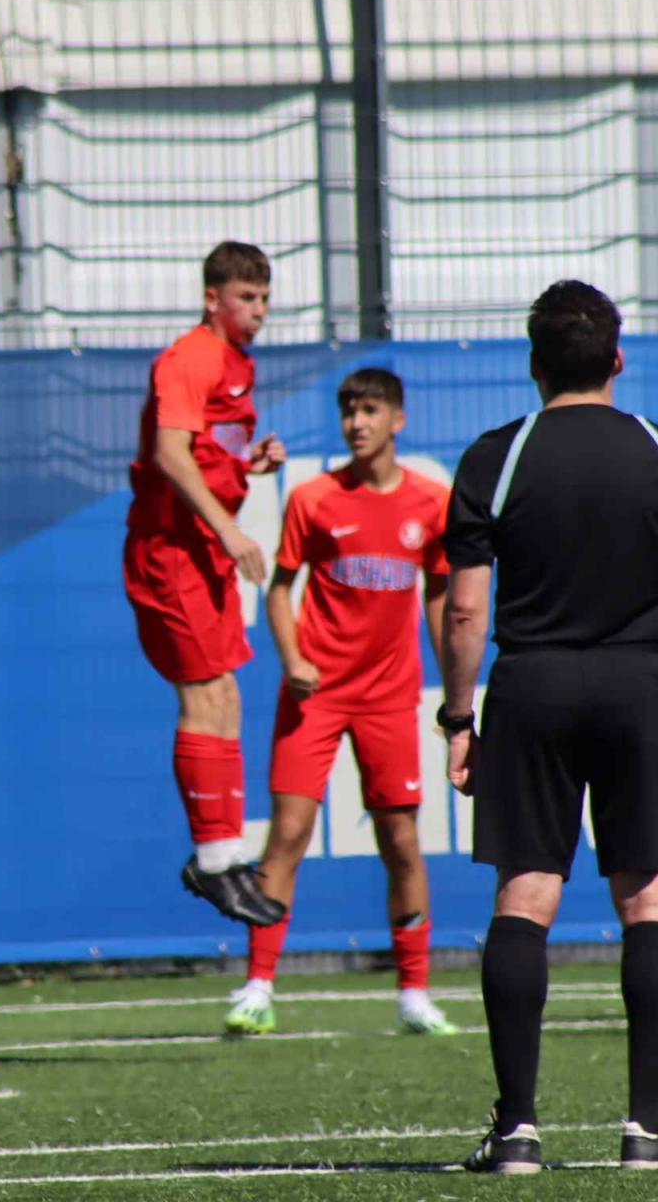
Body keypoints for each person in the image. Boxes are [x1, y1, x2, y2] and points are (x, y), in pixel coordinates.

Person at [443, 281, 658, 1173]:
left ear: (535, 364)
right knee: (648, 894)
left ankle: (516, 1132)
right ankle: (649, 1128)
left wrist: (459, 716)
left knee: (525, 891)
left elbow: (464, 610)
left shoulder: (496, 457)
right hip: (640, 683)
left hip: (528, 684)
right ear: (617, 357)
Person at [228, 367, 456, 1038]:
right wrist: (293, 658)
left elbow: (441, 597)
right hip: (316, 697)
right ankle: (258, 988)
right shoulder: (314, 498)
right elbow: (278, 588)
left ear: (398, 420)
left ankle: (414, 995)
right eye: (349, 411)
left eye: (370, 410)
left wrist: (457, 691)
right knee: (288, 834)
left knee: (401, 840)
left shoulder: (431, 503)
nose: (357, 423)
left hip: (390, 698)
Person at [124, 241, 288, 927]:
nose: (258, 310)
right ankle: (212, 860)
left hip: (202, 553)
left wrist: (246, 464)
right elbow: (169, 452)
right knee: (204, 696)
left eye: (264, 298)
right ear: (211, 298)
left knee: (225, 697)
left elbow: (202, 452)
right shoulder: (190, 356)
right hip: (172, 553)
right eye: (246, 298)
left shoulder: (235, 361)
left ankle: (226, 855)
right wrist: (228, 529)